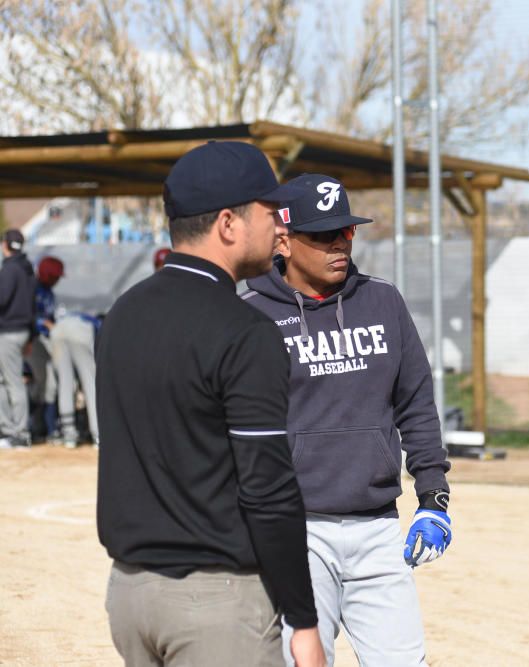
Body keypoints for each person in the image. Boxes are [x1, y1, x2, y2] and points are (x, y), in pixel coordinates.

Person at [96, 141, 325, 667]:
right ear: (229, 223)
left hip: (130, 595)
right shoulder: (246, 332)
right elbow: (268, 490)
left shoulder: (121, 315)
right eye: (271, 212)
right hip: (216, 605)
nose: (282, 227)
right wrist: (304, 620)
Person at [242, 173, 452, 667]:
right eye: (323, 235)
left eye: (347, 231)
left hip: (378, 528)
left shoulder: (383, 301)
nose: (339, 243)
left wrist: (434, 498)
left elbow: (416, 402)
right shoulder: (250, 315)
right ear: (285, 240)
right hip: (297, 531)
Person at [0, 229, 35, 449]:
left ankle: (18, 433)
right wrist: (32, 335)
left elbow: (1, 299)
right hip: (22, 331)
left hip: (8, 332)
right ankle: (10, 429)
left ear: (5, 245)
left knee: (11, 383)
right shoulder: (28, 269)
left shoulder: (10, 269)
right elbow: (32, 305)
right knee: (7, 381)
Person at [50, 311, 101, 448]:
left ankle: (68, 435)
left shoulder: (77, 315)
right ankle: (98, 435)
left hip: (57, 329)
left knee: (65, 384)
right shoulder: (98, 323)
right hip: (80, 331)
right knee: (91, 383)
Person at [28, 255, 63, 441]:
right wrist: (45, 323)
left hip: (48, 341)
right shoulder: (33, 289)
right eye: (55, 276)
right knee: (43, 382)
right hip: (34, 341)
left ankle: (47, 428)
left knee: (50, 384)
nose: (57, 280)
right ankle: (34, 424)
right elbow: (30, 315)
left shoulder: (49, 292)